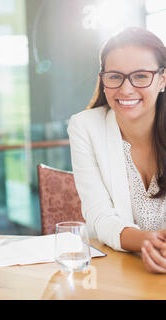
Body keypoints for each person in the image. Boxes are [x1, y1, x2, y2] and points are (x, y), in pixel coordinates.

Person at [67, 27, 166, 273]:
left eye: (141, 76)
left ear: (163, 80)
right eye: (114, 76)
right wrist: (150, 243)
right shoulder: (84, 126)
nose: (126, 89)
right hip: (114, 270)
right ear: (102, 79)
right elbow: (99, 217)